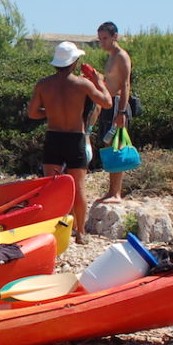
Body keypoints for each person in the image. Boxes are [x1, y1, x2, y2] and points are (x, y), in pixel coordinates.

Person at [28, 41, 112, 243]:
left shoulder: (43, 84)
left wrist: (52, 112)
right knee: (79, 188)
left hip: (54, 137)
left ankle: (51, 232)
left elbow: (32, 113)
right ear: (74, 62)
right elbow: (107, 102)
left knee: (51, 187)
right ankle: (81, 233)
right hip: (75, 138)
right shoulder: (82, 84)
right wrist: (98, 80)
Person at [93, 21, 134, 204]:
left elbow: (125, 85)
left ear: (114, 37)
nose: (102, 42)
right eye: (100, 39)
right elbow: (110, 81)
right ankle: (111, 191)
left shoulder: (121, 56)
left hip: (119, 105)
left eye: (105, 38)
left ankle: (116, 193)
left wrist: (122, 112)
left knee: (117, 147)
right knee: (109, 147)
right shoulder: (110, 56)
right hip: (109, 104)